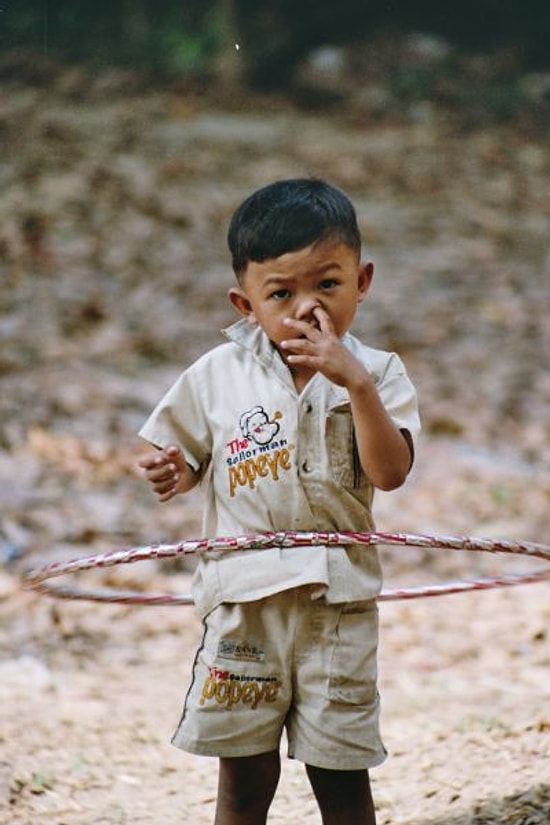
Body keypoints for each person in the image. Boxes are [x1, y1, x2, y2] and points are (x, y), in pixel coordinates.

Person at [138, 178, 420, 825]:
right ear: (246, 302)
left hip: (336, 606)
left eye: (328, 284)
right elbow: (181, 460)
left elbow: (391, 471)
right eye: (281, 293)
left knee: (341, 771)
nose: (307, 308)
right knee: (244, 772)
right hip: (246, 603)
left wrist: (353, 384)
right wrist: (169, 471)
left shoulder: (378, 372)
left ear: (362, 280)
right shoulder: (215, 375)